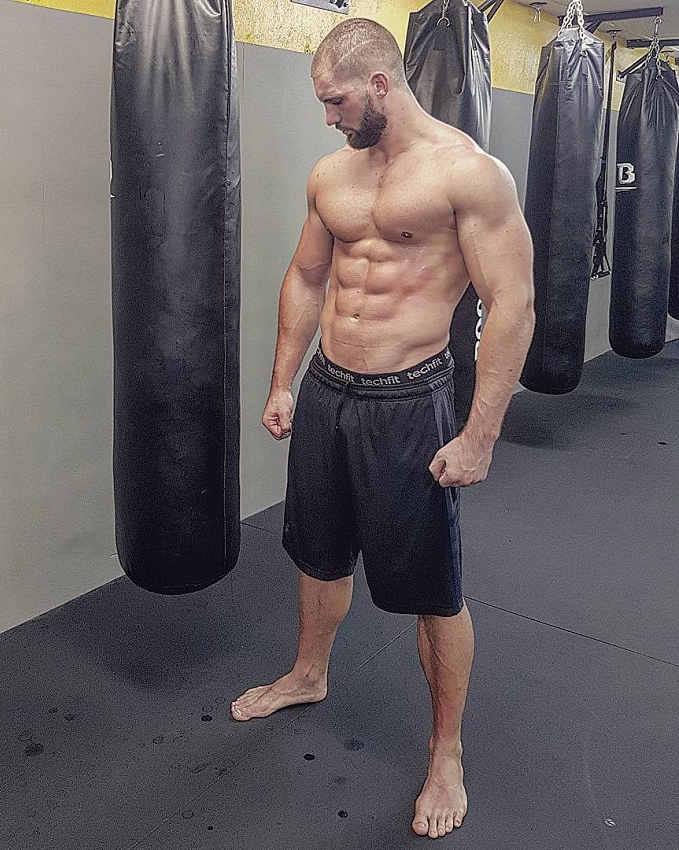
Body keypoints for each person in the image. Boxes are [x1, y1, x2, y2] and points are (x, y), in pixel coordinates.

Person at [230, 18, 535, 841]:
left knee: (431, 589)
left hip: (411, 402)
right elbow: (306, 274)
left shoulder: (469, 175)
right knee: (318, 551)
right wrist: (283, 383)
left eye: (333, 100)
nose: (325, 117)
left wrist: (479, 436)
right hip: (329, 393)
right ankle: (308, 672)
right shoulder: (333, 174)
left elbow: (512, 306)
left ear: (379, 86)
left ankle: (446, 750)